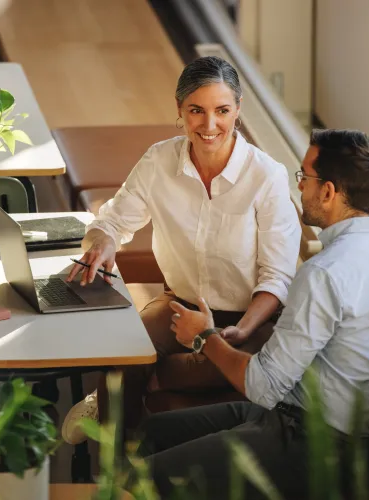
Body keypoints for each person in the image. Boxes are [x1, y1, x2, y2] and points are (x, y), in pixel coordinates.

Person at [136, 129, 369, 499]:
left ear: (329, 192)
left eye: (304, 177)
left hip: (314, 444)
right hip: (296, 418)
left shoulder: (323, 274)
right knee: (148, 434)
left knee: (144, 477)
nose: (299, 186)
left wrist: (203, 337)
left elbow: (262, 384)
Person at [60, 56, 302, 445]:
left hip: (253, 317)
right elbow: (112, 222)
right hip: (181, 306)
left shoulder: (266, 176)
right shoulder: (159, 161)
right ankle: (119, 472)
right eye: (196, 111)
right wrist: (103, 243)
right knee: (123, 351)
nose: (209, 126)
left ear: (238, 110)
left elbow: (277, 279)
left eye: (222, 111)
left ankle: (129, 386)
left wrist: (233, 333)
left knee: (228, 365)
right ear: (180, 111)